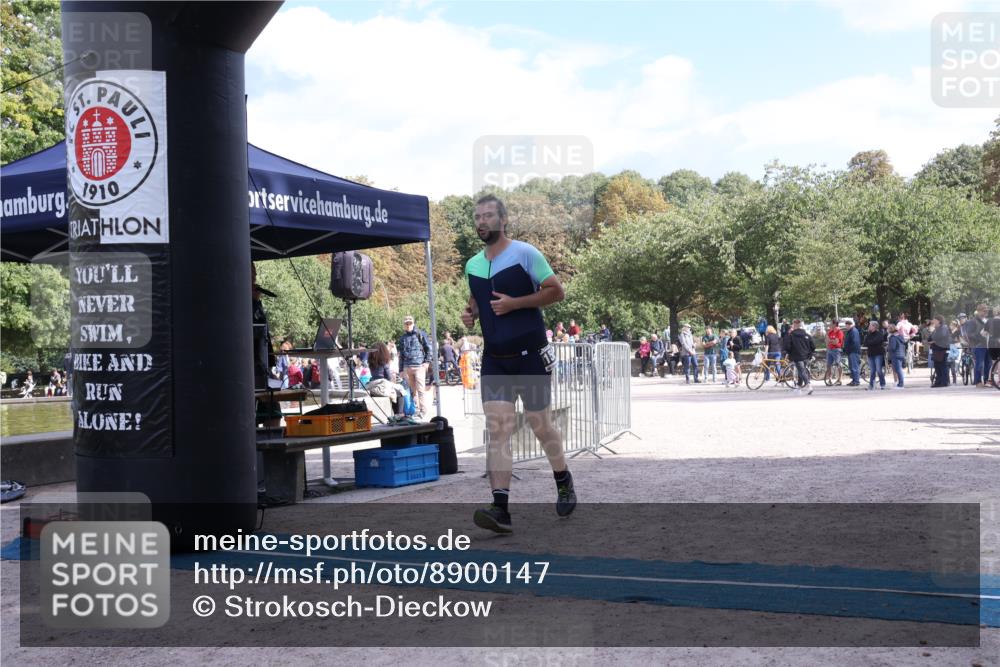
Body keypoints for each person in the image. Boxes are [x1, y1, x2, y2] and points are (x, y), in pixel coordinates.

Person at [461, 194, 575, 533]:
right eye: (478, 216)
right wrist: (471, 314)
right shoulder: (473, 265)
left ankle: (563, 478)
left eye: (488, 216)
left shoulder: (525, 253)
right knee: (498, 429)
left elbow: (556, 291)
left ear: (503, 220)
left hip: (530, 356)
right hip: (495, 360)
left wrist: (515, 304)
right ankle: (500, 508)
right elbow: (478, 301)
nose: (482, 221)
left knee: (541, 426)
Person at [398, 315, 432, 419]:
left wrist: (427, 362)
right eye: (406, 323)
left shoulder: (420, 334)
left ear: (413, 323)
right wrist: (400, 369)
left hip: (419, 366)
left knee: (420, 389)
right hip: (407, 367)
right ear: (404, 325)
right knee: (412, 391)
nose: (408, 325)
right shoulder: (402, 338)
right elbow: (401, 355)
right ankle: (413, 409)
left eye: (410, 323)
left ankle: (423, 410)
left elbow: (428, 349)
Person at [367, 343, 407, 416]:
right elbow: (388, 377)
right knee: (400, 392)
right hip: (383, 384)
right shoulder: (384, 363)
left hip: (374, 385)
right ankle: (399, 414)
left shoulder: (371, 363)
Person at [963, 304, 992, 387]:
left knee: (989, 364)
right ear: (978, 311)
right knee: (980, 364)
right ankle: (978, 382)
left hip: (988, 345)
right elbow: (969, 334)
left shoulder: (987, 321)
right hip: (978, 345)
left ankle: (987, 381)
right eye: (984, 310)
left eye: (986, 310)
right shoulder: (972, 321)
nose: (986, 312)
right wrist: (981, 336)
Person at [785, 319, 815, 395]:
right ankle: (798, 388)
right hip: (806, 356)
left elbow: (787, 346)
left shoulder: (791, 335)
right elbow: (813, 346)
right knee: (801, 371)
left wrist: (789, 353)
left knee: (801, 371)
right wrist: (810, 354)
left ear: (794, 325)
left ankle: (809, 385)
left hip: (797, 355)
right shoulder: (806, 335)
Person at [863, 321, 887, 390]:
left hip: (878, 354)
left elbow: (876, 341)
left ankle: (882, 384)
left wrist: (870, 342)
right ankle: (871, 385)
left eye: (870, 325)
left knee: (879, 370)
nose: (869, 327)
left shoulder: (879, 334)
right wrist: (870, 342)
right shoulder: (868, 334)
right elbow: (865, 343)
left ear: (874, 326)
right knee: (872, 370)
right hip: (870, 354)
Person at [930, 315, 952, 387]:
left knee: (943, 366)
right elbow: (929, 338)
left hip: (942, 349)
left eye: (935, 320)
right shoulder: (936, 329)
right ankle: (938, 382)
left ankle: (944, 382)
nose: (933, 321)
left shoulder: (943, 327)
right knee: (937, 367)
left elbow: (940, 335)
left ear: (939, 321)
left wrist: (934, 339)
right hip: (936, 349)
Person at [842, 318, 862, 386]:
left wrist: (849, 349)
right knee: (851, 367)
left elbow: (855, 342)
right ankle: (854, 380)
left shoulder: (853, 331)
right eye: (846, 325)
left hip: (854, 351)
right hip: (851, 352)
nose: (846, 326)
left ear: (850, 325)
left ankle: (856, 381)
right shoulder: (850, 331)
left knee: (854, 367)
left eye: (847, 325)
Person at [825, 319, 844, 385]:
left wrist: (830, 340)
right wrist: (831, 341)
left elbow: (836, 342)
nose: (830, 325)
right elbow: (826, 341)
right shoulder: (830, 332)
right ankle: (829, 379)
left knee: (838, 364)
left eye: (831, 324)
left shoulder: (839, 332)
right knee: (828, 365)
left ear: (834, 324)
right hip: (830, 349)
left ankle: (839, 379)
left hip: (836, 350)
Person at [887, 323, 907, 389]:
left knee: (898, 370)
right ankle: (899, 383)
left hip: (895, 355)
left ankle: (901, 384)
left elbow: (892, 347)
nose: (887, 329)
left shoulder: (893, 337)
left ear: (891, 330)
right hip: (901, 354)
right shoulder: (900, 336)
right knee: (899, 369)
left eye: (888, 328)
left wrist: (887, 348)